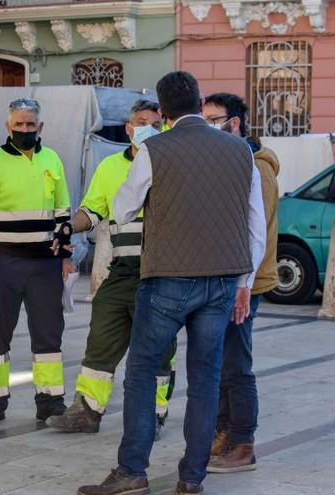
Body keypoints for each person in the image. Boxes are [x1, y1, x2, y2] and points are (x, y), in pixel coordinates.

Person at [77, 71, 266, 495]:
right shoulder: (241, 152)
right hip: (221, 282)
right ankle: (192, 477)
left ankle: (132, 471)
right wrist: (245, 282)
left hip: (166, 280)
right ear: (199, 103)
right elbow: (256, 225)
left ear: (162, 113)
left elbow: (123, 209)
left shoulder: (152, 149)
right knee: (205, 378)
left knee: (142, 372)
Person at [47, 100, 176, 439]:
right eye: (139, 122)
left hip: (160, 271)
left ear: (163, 126)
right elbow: (91, 210)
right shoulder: (108, 167)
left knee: (159, 347)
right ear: (129, 128)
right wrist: (67, 227)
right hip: (121, 269)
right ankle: (86, 412)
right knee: (101, 337)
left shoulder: (171, 163)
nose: (146, 127)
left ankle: (153, 415)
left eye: (154, 122)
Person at [0, 98, 74, 423]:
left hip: (45, 264)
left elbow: (63, 213)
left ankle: (50, 403)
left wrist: (65, 258)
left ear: (40, 127)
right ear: (8, 127)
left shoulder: (52, 160)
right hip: (5, 262)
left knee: (48, 334)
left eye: (30, 124)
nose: (24, 129)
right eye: (18, 124)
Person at [202, 93, 279, 473]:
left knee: (236, 363)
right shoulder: (229, 162)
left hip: (244, 281)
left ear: (235, 124)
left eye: (214, 120)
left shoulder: (258, 169)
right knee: (220, 361)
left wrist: (241, 283)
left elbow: (254, 233)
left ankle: (243, 441)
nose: (207, 127)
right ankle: (224, 433)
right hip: (226, 278)